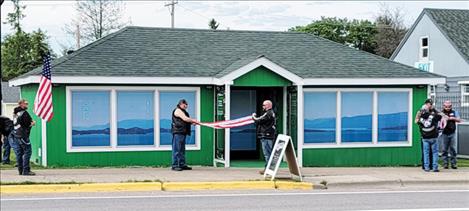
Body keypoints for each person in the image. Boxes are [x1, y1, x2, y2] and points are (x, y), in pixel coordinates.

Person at [415, 99, 446, 172]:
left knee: (426, 153)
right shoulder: (434, 115)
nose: (430, 105)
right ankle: (435, 168)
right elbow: (443, 117)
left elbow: (416, 121)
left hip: (425, 137)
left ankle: (426, 168)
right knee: (435, 153)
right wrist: (436, 111)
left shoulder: (420, 118)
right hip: (433, 137)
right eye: (430, 104)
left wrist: (419, 114)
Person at [8, 99, 36, 176]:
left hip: (16, 135)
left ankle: (20, 170)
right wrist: (32, 123)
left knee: (19, 153)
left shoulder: (15, 113)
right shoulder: (24, 113)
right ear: (21, 104)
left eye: (27, 103)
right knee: (28, 151)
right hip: (23, 135)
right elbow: (27, 124)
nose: (27, 105)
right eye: (25, 104)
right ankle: (26, 170)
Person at [171, 99, 197, 171]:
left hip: (182, 132)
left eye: (186, 104)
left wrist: (192, 122)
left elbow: (185, 121)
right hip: (178, 132)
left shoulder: (184, 112)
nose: (185, 105)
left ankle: (182, 164)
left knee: (182, 150)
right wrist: (193, 120)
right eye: (184, 104)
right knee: (177, 149)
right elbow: (185, 119)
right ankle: (175, 165)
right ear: (180, 104)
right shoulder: (178, 110)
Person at [252, 100, 276, 175]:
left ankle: (268, 170)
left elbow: (258, 120)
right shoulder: (270, 113)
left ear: (268, 105)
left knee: (267, 154)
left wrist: (253, 116)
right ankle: (268, 169)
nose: (263, 106)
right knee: (268, 153)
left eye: (264, 105)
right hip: (267, 135)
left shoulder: (268, 113)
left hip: (266, 136)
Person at [440, 100, 462, 169]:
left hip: (452, 133)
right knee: (444, 150)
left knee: (453, 149)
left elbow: (459, 120)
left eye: (449, 106)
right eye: (446, 106)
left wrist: (453, 118)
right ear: (443, 106)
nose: (447, 108)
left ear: (451, 106)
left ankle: (454, 164)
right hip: (444, 133)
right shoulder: (441, 113)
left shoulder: (454, 112)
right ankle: (445, 164)